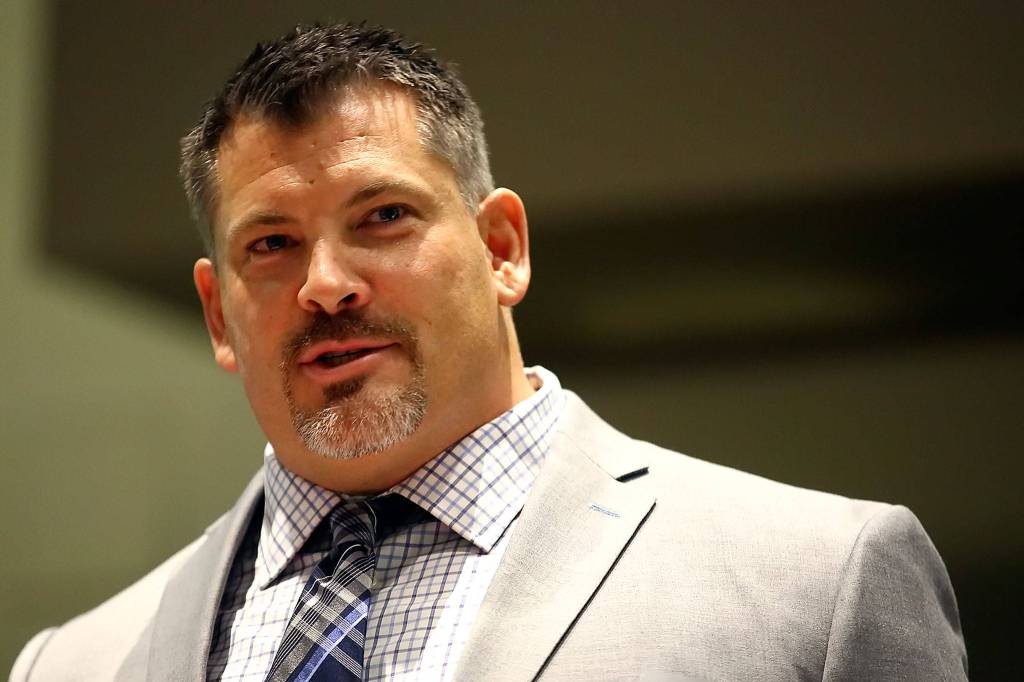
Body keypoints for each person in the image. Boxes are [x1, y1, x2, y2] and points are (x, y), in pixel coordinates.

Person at [11, 22, 967, 682]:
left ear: (502, 250)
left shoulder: (817, 586)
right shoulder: (75, 663)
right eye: (272, 243)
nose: (326, 283)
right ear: (219, 316)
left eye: (383, 217)